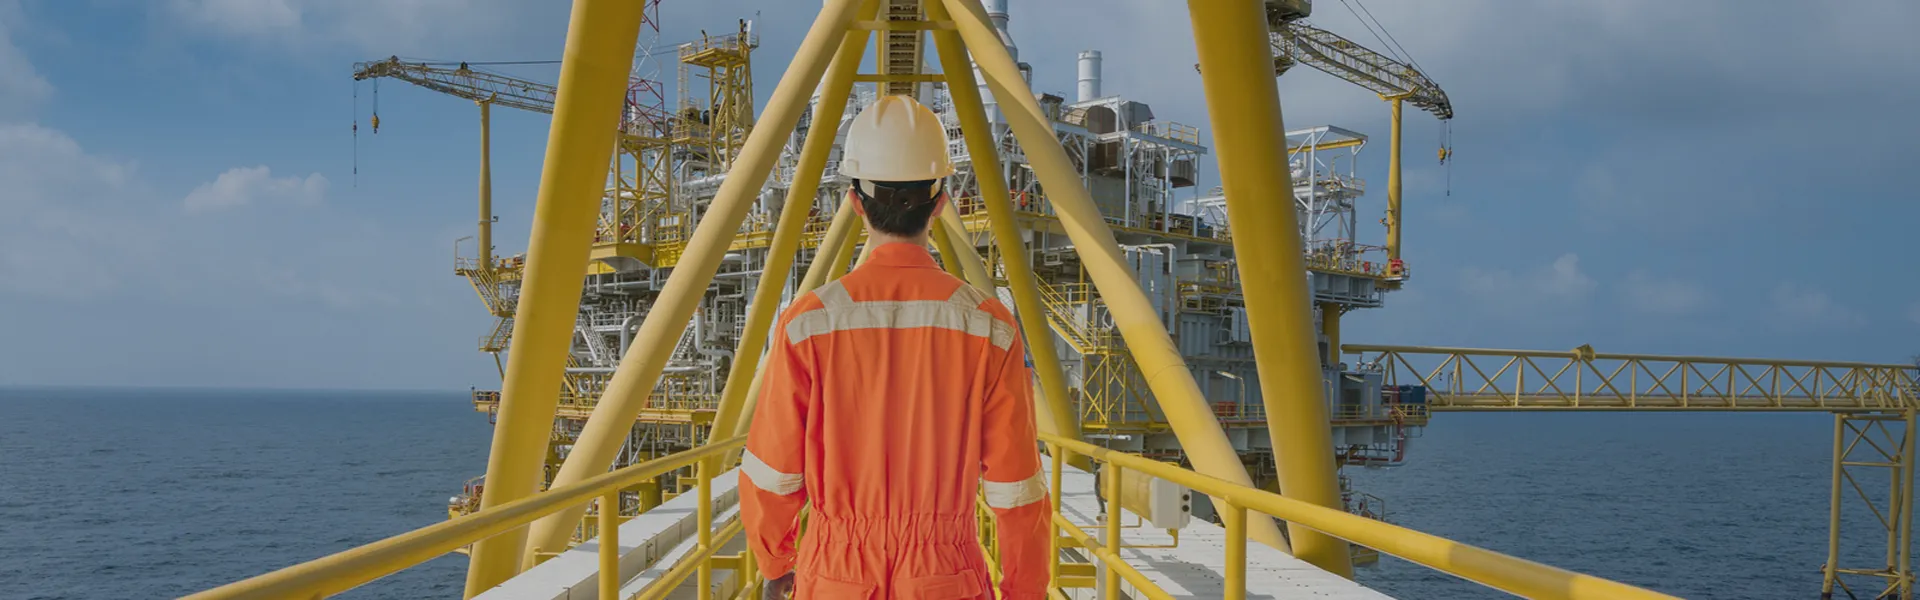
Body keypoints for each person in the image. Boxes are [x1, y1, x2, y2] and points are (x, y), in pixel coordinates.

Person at [740, 95, 1050, 599]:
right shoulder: (989, 326)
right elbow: (1016, 488)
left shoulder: (808, 323)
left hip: (835, 577)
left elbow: (772, 472)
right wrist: (1024, 590)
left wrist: (776, 562)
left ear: (855, 203)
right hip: (946, 578)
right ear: (940, 203)